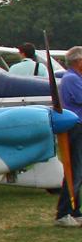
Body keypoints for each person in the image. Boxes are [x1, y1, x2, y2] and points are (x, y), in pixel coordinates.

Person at [54, 47, 82, 228]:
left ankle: (74, 210)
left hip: (77, 127)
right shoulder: (72, 78)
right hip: (76, 127)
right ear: (78, 61)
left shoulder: (74, 78)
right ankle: (63, 212)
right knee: (75, 172)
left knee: (78, 171)